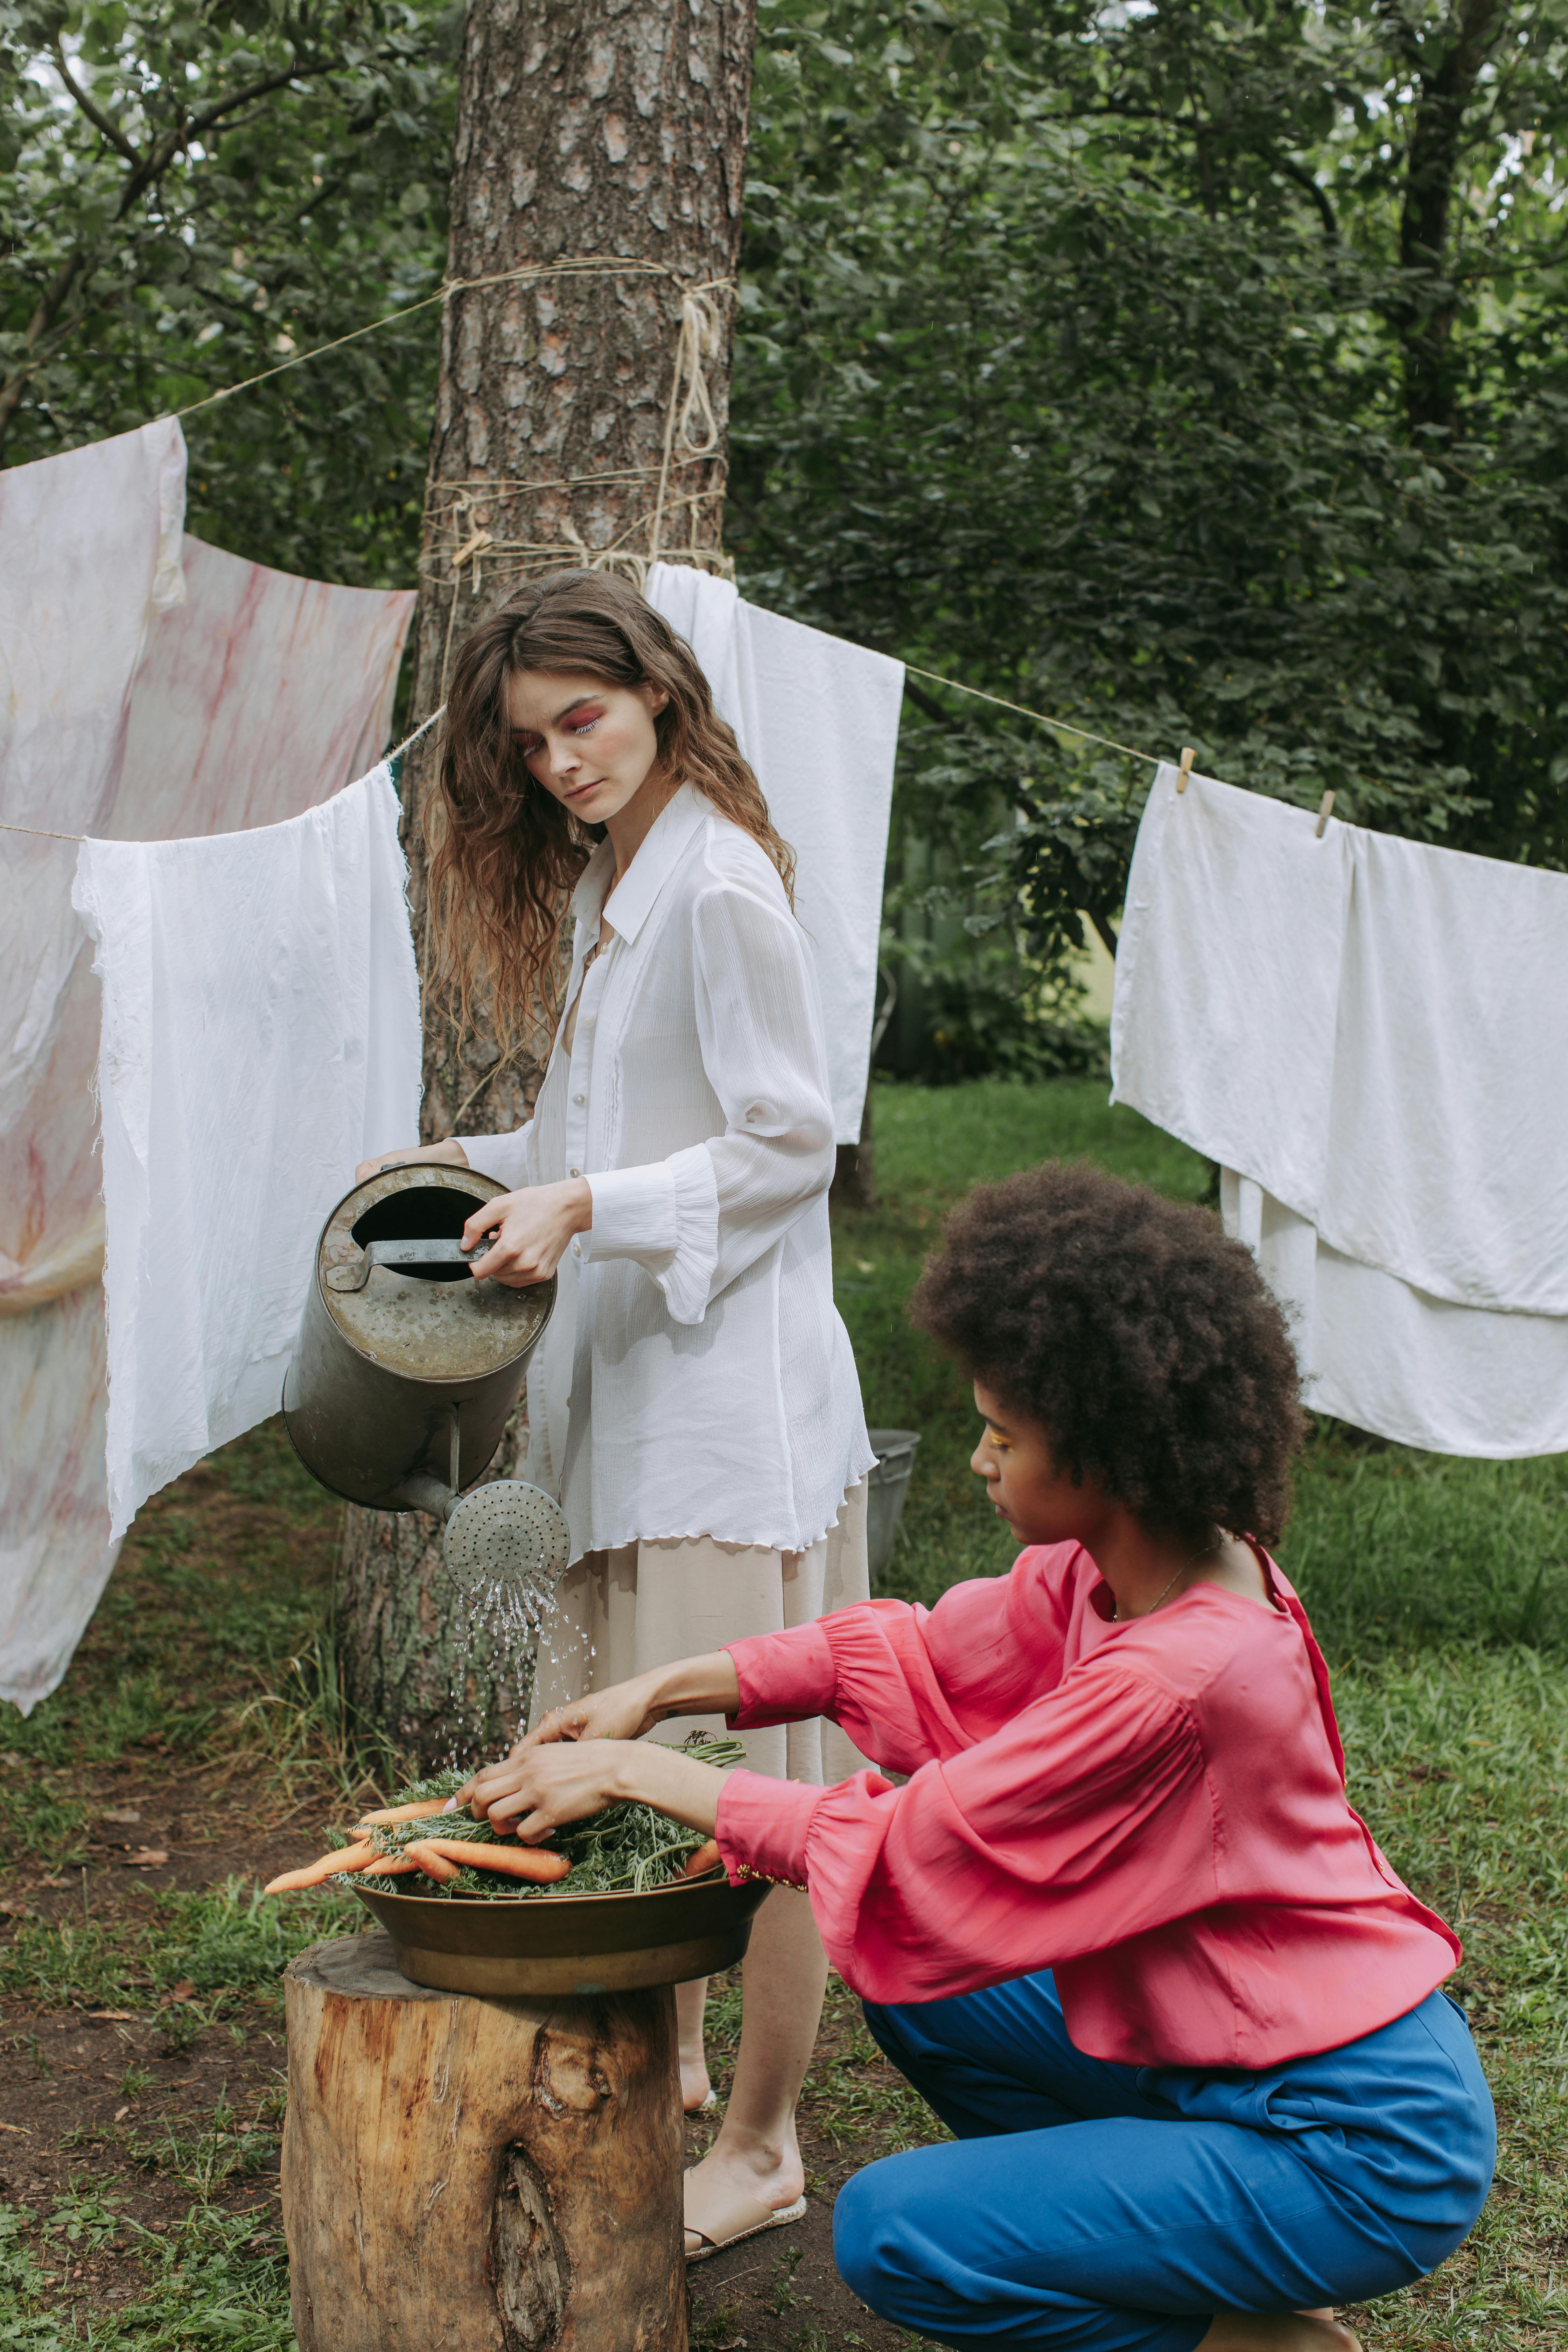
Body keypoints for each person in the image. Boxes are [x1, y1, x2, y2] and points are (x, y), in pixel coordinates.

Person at [463, 1160, 1495, 2348]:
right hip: (1228, 2053)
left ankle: (1248, 2338)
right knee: (942, 1999)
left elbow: (911, 1852)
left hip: (1356, 2142)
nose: (978, 1460)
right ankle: (1184, 2242)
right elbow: (917, 1653)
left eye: (1003, 1434)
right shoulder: (1130, 1570)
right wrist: (664, 1689)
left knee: (901, 2233)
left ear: (1104, 1452)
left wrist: (648, 1776)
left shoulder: (1180, 1679)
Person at [356, 568, 876, 2258]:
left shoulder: (721, 882)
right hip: (629, 1405)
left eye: (583, 719)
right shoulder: (612, 883)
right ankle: (665, 2090)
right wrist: (460, 1173)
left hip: (733, 1422)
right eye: (529, 744)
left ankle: (767, 2141)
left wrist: (585, 1209)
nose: (561, 762)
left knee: (751, 1797)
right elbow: (603, 1124)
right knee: (633, 1784)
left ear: (655, 692)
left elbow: (791, 1140)